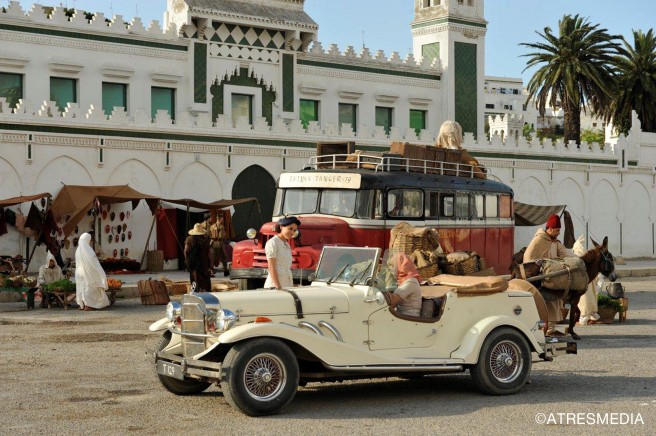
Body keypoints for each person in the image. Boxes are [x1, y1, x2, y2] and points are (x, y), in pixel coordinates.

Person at [523, 213, 568, 337]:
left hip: (553, 276)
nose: (559, 232)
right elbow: (529, 259)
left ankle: (551, 330)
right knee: (545, 304)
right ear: (550, 229)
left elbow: (564, 255)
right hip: (540, 279)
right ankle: (545, 331)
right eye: (557, 230)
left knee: (555, 302)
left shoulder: (554, 241)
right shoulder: (539, 240)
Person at [75, 233, 110, 311]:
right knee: (91, 287)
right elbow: (94, 262)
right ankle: (89, 305)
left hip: (79, 273)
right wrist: (100, 272)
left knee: (82, 287)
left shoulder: (78, 250)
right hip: (88, 272)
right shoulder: (88, 250)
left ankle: (83, 304)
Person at [264, 216, 300, 289]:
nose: (292, 232)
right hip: (274, 287)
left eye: (294, 230)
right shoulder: (272, 243)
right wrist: (278, 287)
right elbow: (271, 267)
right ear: (281, 227)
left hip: (286, 286)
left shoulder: (287, 244)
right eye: (290, 229)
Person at [387, 252, 422, 317]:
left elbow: (392, 301)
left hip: (409, 319)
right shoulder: (402, 280)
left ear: (401, 265)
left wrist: (380, 288)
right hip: (400, 316)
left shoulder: (411, 282)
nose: (390, 268)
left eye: (392, 265)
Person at [184, 223, 212, 292]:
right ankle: (204, 293)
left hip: (193, 263)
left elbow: (186, 251)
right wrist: (211, 265)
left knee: (194, 280)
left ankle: (194, 293)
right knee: (204, 280)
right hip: (203, 264)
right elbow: (210, 254)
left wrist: (188, 261)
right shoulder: (205, 240)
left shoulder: (189, 239)